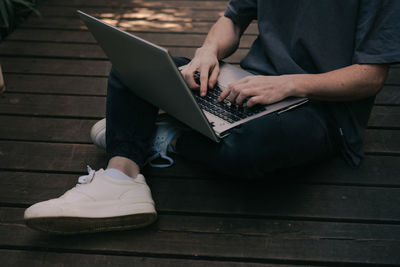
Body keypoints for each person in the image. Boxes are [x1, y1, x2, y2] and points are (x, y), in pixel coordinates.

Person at [24, 0, 399, 234]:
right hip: (247, 86)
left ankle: (160, 137)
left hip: (320, 110)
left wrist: (288, 84)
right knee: (132, 69)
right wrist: (208, 52)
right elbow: (232, 20)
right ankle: (121, 178)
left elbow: (370, 77)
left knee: (249, 149)